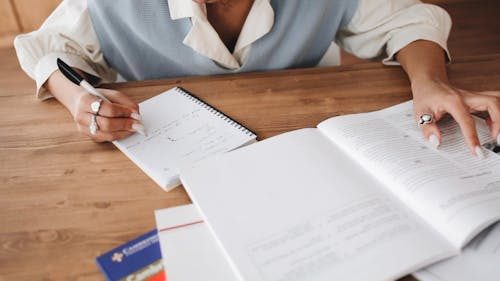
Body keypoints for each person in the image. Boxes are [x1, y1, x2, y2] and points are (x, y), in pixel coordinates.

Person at [14, 0, 499, 157]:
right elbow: (48, 51)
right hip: (176, 159)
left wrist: (429, 82)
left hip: (308, 147)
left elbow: (408, 19)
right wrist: (77, 96)